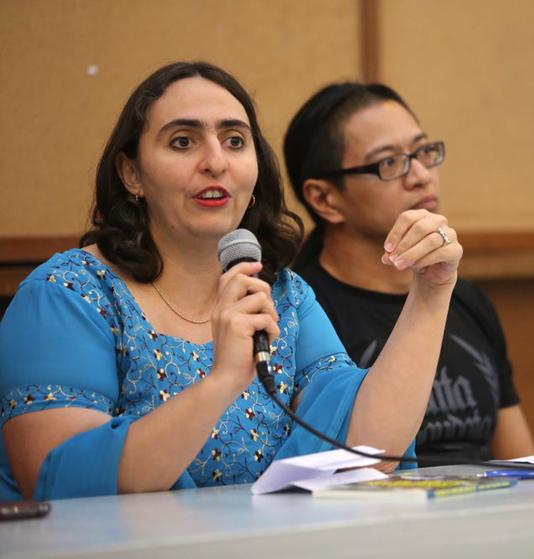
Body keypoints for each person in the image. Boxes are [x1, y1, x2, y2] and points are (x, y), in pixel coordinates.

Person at [0, 61, 463, 501]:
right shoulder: (67, 295)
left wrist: (432, 290)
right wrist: (222, 380)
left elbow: (366, 448)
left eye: (235, 141)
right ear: (132, 173)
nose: (216, 162)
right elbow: (59, 480)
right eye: (183, 142)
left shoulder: (284, 295)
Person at [283, 82, 534, 465]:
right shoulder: (304, 314)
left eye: (423, 152)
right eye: (388, 162)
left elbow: (523, 463)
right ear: (324, 198)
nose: (420, 175)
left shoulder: (466, 298)